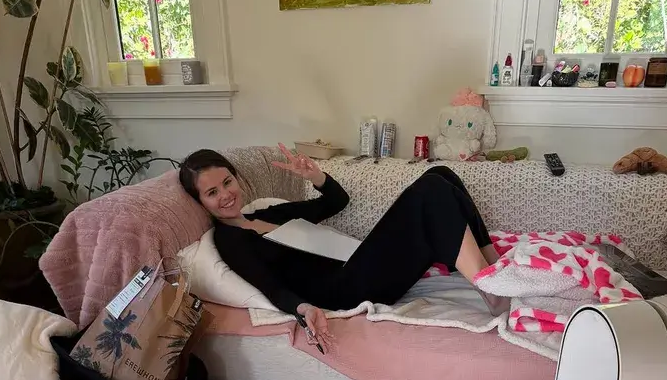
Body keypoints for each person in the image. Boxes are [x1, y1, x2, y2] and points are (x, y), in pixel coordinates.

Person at [179, 144, 501, 350]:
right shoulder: (229, 239)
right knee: (431, 190)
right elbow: (268, 285)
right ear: (200, 202)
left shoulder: (267, 213)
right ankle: (493, 292)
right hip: (343, 290)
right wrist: (302, 308)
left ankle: (495, 267)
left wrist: (316, 176)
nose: (226, 195)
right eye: (212, 193)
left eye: (227, 182)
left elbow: (335, 202)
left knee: (440, 173)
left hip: (354, 264)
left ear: (236, 179)